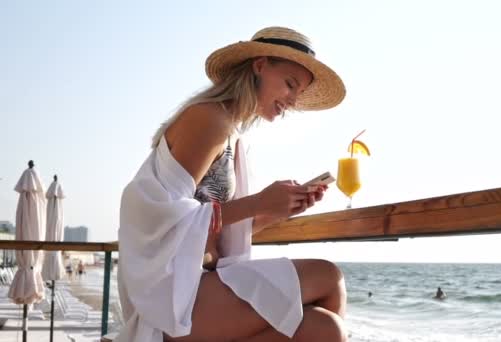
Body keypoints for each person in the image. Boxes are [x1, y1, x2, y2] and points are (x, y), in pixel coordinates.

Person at [116, 26, 347, 342]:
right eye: (290, 85)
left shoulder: (233, 137)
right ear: (260, 65)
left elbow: (209, 231)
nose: (292, 100)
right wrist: (258, 204)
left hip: (203, 290)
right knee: (328, 278)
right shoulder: (209, 120)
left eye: (298, 93)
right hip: (174, 298)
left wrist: (277, 211)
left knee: (324, 330)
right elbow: (161, 219)